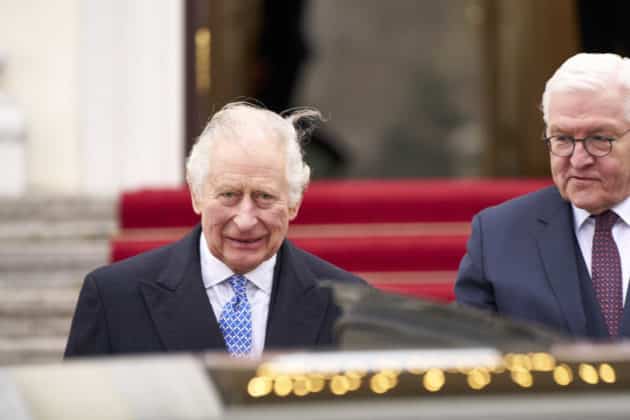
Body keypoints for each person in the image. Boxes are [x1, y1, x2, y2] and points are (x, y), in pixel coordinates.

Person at [65, 102, 366, 358]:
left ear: (294, 202)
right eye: (228, 195)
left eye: (264, 197)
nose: (245, 219)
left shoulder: (350, 306)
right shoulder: (114, 298)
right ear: (197, 195)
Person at [455, 53, 630, 339]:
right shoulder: (498, 235)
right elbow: (472, 353)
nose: (578, 158)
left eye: (599, 139)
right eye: (562, 139)